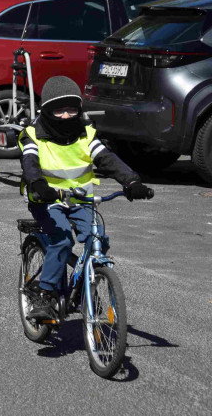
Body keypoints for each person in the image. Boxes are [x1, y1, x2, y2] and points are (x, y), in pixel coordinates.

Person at [18, 76, 153, 321]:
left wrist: (131, 182)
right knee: (61, 241)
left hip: (81, 200)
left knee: (98, 238)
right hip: (47, 200)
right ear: (46, 111)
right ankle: (45, 295)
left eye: (72, 109)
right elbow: (30, 163)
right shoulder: (32, 134)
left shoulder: (87, 134)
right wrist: (37, 184)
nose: (67, 116)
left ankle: (83, 289)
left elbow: (107, 159)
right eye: (59, 110)